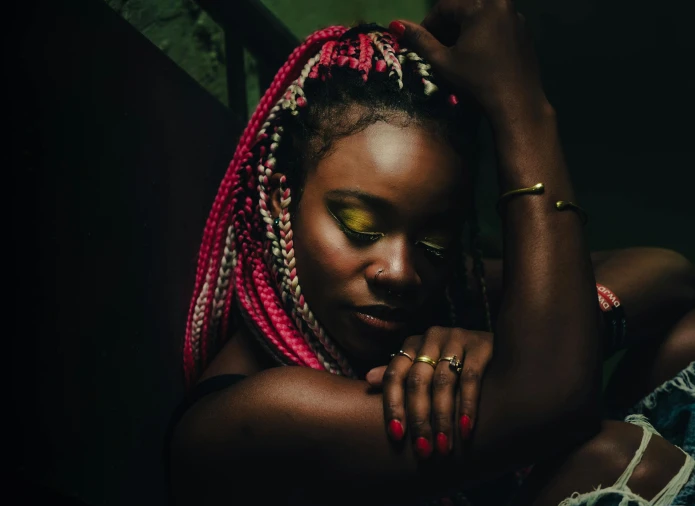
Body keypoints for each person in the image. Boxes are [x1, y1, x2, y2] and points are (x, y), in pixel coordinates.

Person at [167, 1, 695, 504]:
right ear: (280, 197)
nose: (399, 272)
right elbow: (551, 404)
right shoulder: (255, 414)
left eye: (433, 241)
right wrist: (522, 107)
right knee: (615, 458)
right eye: (358, 225)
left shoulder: (429, 302)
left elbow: (668, 273)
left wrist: (503, 342)